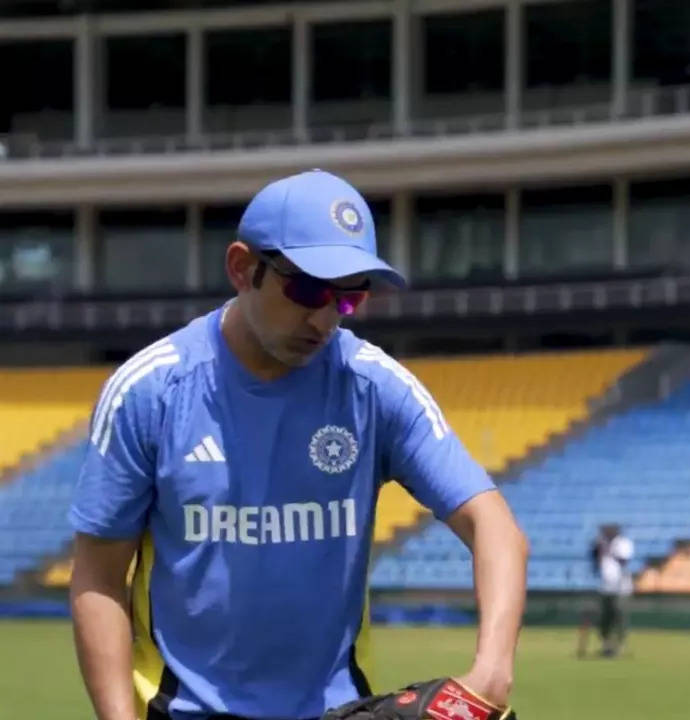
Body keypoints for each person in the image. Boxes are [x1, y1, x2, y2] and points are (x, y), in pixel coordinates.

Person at [68, 169, 529, 720]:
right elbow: (97, 577)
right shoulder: (150, 391)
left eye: (349, 296)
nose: (325, 317)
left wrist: (491, 673)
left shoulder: (375, 388)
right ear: (241, 268)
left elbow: (495, 527)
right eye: (307, 288)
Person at [593, 523, 634, 658]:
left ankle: (620, 645)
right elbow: (597, 563)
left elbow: (624, 560)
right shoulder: (601, 544)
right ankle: (607, 645)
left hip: (621, 587)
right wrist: (599, 551)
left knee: (619, 615)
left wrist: (609, 550)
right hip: (606, 587)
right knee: (605, 618)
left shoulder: (623, 543)